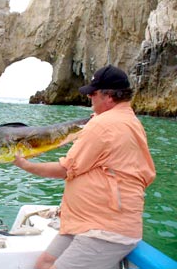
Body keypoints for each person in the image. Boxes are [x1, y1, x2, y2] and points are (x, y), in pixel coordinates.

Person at [13, 65, 156, 269]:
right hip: (88, 222)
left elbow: (65, 170)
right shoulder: (129, 121)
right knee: (44, 263)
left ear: (109, 97)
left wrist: (25, 165)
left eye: (93, 93)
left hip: (105, 230)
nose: (89, 97)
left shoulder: (103, 125)